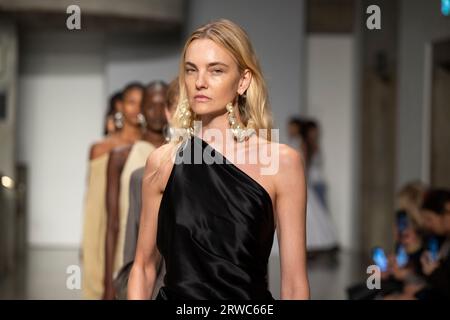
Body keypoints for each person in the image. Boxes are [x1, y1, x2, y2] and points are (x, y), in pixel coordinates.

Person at [128, 19, 309, 300]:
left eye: (216, 71)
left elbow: (295, 284)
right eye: (191, 70)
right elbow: (143, 267)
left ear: (243, 80)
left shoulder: (281, 163)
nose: (200, 82)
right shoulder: (163, 162)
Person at [113, 78, 179, 299]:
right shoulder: (126, 157)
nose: (157, 112)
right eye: (151, 105)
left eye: (163, 105)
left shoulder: (189, 161)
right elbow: (113, 216)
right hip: (135, 245)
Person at [81, 84, 145, 299]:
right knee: (97, 279)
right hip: (101, 222)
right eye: (131, 102)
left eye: (140, 103)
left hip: (132, 222)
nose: (136, 109)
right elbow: (92, 197)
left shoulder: (148, 147)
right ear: (120, 106)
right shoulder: (101, 148)